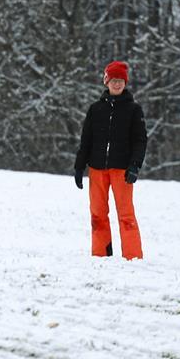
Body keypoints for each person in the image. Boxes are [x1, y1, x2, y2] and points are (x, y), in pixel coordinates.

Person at [74, 60, 146, 259]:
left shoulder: (133, 110)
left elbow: (140, 141)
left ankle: (133, 257)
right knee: (97, 214)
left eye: (121, 81)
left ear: (125, 83)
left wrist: (134, 166)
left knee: (126, 215)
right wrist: (79, 167)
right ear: (106, 82)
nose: (117, 84)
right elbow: (86, 140)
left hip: (122, 170)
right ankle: (100, 255)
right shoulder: (95, 109)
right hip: (97, 168)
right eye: (113, 80)